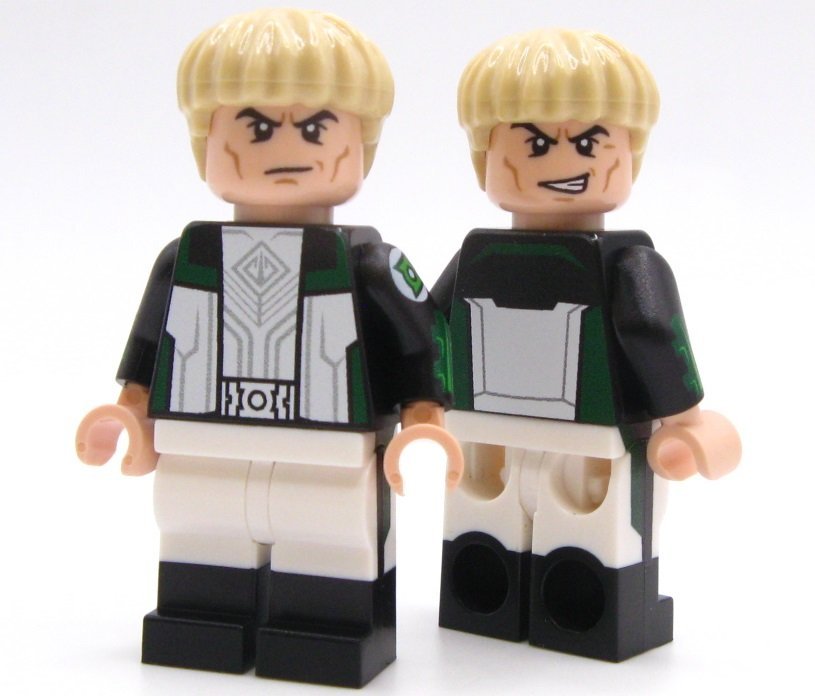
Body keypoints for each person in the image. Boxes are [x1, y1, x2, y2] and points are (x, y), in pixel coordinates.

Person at [76, 8, 461, 687]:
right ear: (206, 140)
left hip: (329, 445)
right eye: (255, 126)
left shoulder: (368, 263)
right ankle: (202, 614)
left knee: (330, 533)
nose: (285, 144)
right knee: (198, 523)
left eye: (315, 127)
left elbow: (420, 342)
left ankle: (326, 626)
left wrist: (423, 420)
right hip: (203, 438)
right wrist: (131, 412)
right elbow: (152, 344)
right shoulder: (186, 258)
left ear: (362, 143)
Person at [434, 27, 740, 662]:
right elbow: (433, 325)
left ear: (629, 153)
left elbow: (652, 333)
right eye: (534, 143)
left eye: (589, 142)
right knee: (481, 536)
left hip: (594, 444)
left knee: (589, 546)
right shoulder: (476, 257)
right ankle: (484, 597)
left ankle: (581, 613)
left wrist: (686, 418)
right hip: (485, 434)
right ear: (485, 155)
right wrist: (421, 403)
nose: (563, 160)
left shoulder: (627, 263)